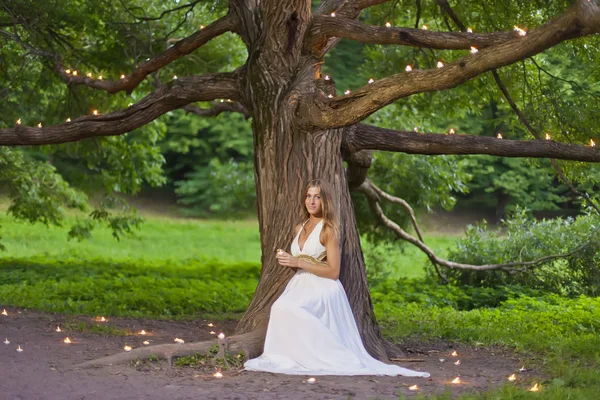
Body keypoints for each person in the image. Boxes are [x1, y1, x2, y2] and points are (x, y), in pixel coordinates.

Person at [244, 179, 430, 377]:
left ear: (325, 201)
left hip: (323, 286)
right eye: (308, 196)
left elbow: (333, 272)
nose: (312, 201)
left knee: (292, 309)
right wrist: (289, 262)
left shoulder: (328, 229)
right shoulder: (299, 228)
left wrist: (299, 262)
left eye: (317, 197)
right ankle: (293, 355)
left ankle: (331, 354)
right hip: (298, 284)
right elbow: (300, 261)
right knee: (279, 307)